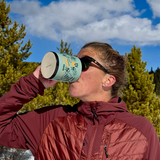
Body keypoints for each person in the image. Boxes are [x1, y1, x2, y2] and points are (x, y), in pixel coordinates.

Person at [0, 42, 159, 160]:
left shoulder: (141, 130)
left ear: (108, 80)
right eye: (73, 62)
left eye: (83, 64)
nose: (73, 70)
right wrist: (33, 83)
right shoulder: (50, 121)